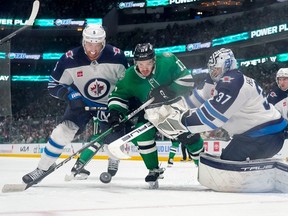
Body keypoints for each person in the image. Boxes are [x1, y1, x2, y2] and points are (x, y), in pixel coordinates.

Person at [22, 24, 129, 184]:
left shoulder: (117, 56)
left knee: (114, 138)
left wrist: (119, 106)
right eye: (89, 43)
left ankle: (113, 155)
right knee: (60, 132)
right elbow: (53, 85)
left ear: (103, 42)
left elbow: (127, 84)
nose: (93, 49)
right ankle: (42, 168)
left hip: (109, 104)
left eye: (97, 44)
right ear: (83, 41)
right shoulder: (69, 58)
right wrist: (71, 94)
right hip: (82, 102)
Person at [145, 48, 287, 162]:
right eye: (212, 70)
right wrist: (170, 106)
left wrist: (180, 121)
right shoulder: (222, 80)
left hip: (264, 136)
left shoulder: (232, 82)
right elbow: (196, 99)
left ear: (227, 66)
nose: (213, 73)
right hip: (255, 135)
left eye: (216, 70)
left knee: (226, 166)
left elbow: (212, 118)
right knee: (226, 160)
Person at [107, 43, 204, 188]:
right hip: (151, 111)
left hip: (176, 106)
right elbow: (117, 96)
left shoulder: (168, 60)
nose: (144, 68)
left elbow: (188, 80)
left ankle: (205, 170)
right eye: (140, 64)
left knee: (189, 137)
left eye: (148, 63)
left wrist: (169, 90)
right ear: (135, 62)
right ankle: (153, 169)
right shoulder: (128, 76)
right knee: (142, 132)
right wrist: (115, 113)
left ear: (154, 60)